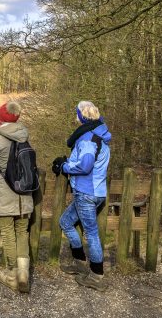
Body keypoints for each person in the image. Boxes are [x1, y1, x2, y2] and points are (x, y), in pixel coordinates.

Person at [52, 100, 111, 291]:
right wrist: (68, 160)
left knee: (91, 234)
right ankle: (79, 262)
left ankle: (97, 276)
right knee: (66, 222)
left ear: (82, 116)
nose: (74, 116)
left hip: (86, 194)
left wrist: (64, 167)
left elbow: (85, 165)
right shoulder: (99, 137)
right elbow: (88, 160)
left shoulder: (87, 139)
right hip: (96, 192)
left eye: (76, 113)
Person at [0, 100, 33, 293]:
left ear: (1, 117)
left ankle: (12, 274)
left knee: (8, 233)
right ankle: (24, 274)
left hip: (4, 196)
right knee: (22, 232)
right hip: (24, 196)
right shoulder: (24, 137)